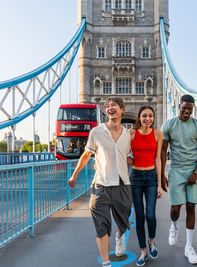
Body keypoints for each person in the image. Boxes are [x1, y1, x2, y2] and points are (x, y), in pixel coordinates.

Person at [68, 97, 132, 267]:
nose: (110, 108)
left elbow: (131, 158)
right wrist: (74, 175)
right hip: (101, 186)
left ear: (122, 109)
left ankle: (119, 236)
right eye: (108, 106)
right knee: (101, 226)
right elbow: (86, 155)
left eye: (114, 105)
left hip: (122, 185)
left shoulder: (128, 135)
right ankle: (106, 263)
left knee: (123, 222)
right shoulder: (96, 132)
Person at [160, 94, 197, 265]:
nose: (187, 111)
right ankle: (174, 226)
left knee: (190, 206)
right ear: (179, 105)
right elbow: (163, 151)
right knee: (175, 208)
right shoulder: (169, 125)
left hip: (193, 169)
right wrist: (161, 175)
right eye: (184, 107)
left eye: (190, 108)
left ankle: (189, 246)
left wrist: (196, 172)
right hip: (176, 170)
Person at [128, 106, 163, 266]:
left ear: (153, 118)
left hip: (150, 178)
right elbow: (123, 153)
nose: (147, 119)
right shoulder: (131, 133)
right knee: (140, 217)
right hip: (135, 177)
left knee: (150, 215)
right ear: (139, 118)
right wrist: (133, 161)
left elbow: (158, 160)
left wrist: (159, 184)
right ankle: (143, 252)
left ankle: (152, 242)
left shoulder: (157, 134)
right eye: (144, 116)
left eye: (150, 116)